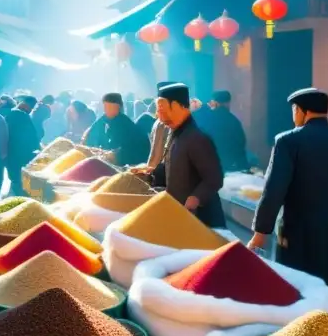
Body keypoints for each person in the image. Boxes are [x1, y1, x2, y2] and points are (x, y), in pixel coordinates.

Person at [248, 88, 328, 329]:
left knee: (301, 286)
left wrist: (260, 233)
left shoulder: (288, 141)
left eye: (294, 111)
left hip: (299, 229)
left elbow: (274, 190)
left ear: (300, 111)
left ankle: (302, 334)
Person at [150, 83, 226, 228]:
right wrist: (151, 174)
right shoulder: (175, 134)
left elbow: (214, 179)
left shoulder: (197, 138)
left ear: (180, 106)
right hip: (180, 216)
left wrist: (196, 197)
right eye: (158, 110)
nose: (159, 114)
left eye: (163, 109)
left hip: (202, 221)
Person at [81, 92, 150, 167]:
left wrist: (112, 155)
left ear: (118, 107)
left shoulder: (126, 124)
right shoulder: (103, 120)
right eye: (105, 107)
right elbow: (90, 135)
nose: (106, 110)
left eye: (109, 107)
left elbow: (129, 149)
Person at [197, 90, 249, 173]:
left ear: (214, 103)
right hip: (228, 165)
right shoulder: (233, 120)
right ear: (228, 103)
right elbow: (241, 142)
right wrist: (243, 166)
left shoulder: (204, 119)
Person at [5, 95, 40, 196]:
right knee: (19, 183)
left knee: (14, 181)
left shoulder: (10, 115)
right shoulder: (24, 117)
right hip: (23, 156)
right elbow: (33, 137)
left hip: (10, 153)